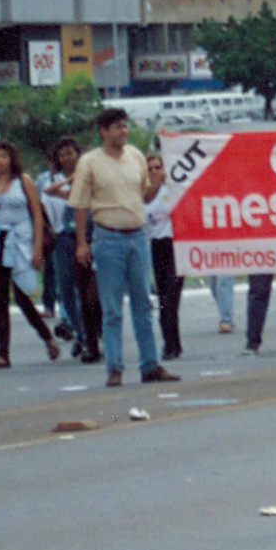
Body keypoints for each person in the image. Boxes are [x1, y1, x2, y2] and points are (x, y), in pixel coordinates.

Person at [71, 109, 175, 386]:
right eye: (117, 127)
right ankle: (114, 367)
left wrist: (158, 184)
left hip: (138, 235)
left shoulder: (136, 157)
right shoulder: (90, 162)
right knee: (112, 306)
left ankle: (150, 364)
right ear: (104, 131)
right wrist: (82, 242)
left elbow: (144, 195)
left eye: (125, 126)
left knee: (143, 303)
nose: (123, 131)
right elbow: (80, 205)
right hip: (108, 237)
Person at [0, 141, 61, 371]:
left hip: (22, 240)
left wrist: (37, 247)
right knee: (0, 298)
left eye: (4, 157)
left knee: (22, 296)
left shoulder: (23, 181)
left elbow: (37, 214)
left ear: (11, 160)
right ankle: (2, 354)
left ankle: (46, 337)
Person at [40, 137, 102, 363]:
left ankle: (92, 335)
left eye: (70, 153)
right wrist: (72, 178)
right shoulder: (55, 179)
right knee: (66, 289)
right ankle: (81, 332)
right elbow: (49, 192)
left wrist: (81, 174)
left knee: (88, 290)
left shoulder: (92, 176)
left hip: (88, 235)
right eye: (62, 154)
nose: (67, 157)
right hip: (64, 237)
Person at [144, 153, 184, 360]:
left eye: (157, 167)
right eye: (150, 169)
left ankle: (171, 343)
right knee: (163, 299)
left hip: (174, 246)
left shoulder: (172, 190)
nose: (154, 172)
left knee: (171, 297)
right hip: (156, 247)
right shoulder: (144, 195)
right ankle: (172, 342)